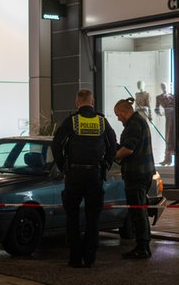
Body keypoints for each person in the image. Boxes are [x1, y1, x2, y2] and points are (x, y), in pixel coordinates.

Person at [52, 89, 117, 268]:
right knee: (93, 218)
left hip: (74, 175)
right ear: (93, 102)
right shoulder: (102, 122)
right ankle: (89, 258)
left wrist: (62, 165)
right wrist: (105, 164)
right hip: (94, 175)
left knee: (72, 217)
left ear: (76, 102)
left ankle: (74, 258)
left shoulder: (72, 121)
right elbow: (113, 146)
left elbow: (56, 143)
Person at [114, 97, 156, 259]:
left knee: (138, 211)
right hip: (142, 172)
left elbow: (129, 149)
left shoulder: (133, 124)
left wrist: (114, 156)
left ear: (125, 112)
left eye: (118, 115)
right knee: (139, 210)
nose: (118, 118)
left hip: (136, 173)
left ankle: (142, 247)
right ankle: (142, 244)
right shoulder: (139, 121)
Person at [154, 82, 175, 165]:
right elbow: (156, 109)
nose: (164, 88)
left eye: (165, 86)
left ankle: (175, 158)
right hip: (168, 117)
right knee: (168, 136)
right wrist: (159, 114)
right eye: (162, 86)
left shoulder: (172, 96)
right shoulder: (159, 97)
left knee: (174, 136)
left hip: (175, 116)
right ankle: (168, 158)